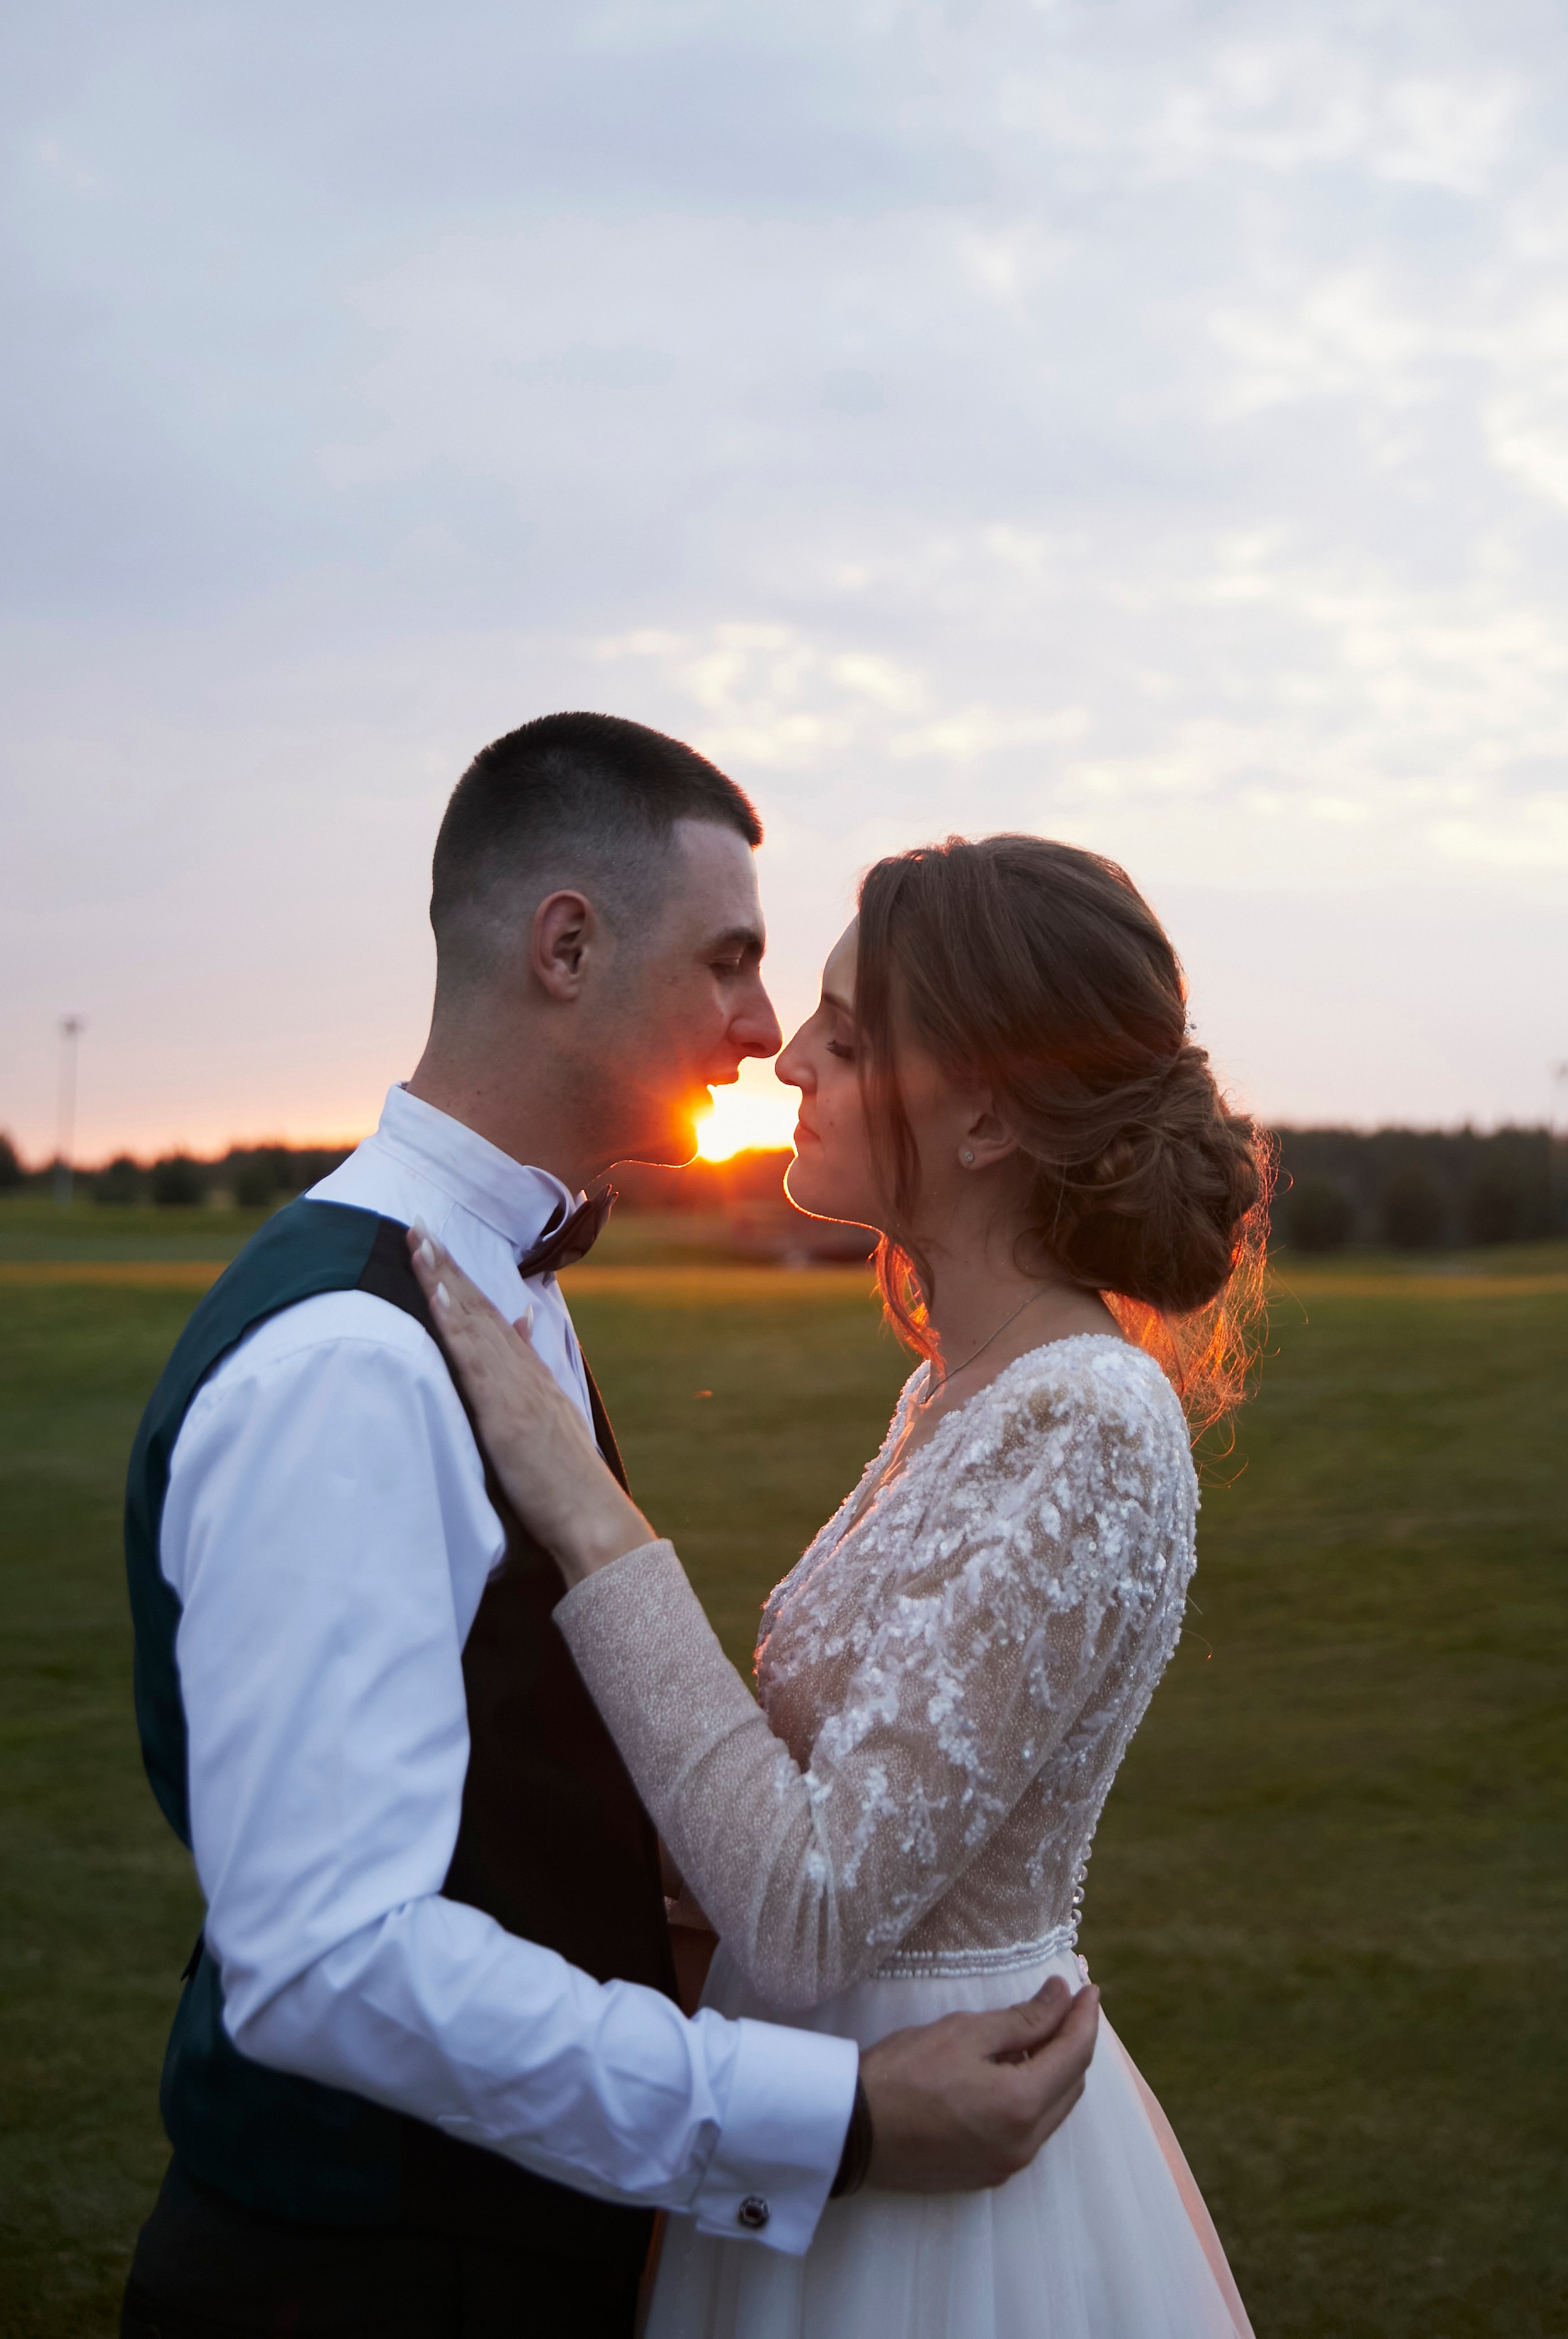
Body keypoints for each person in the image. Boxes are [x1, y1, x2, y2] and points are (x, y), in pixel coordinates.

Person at [119, 719, 1098, 2339]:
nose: (765, 1025)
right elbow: (326, 1961)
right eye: (729, 960)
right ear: (566, 944)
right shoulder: (352, 1359)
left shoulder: (496, 1290)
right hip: (370, 2274)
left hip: (523, 2237)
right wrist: (829, 2116)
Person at [412, 829, 1268, 2338]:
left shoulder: (1089, 1423)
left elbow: (812, 1904)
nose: (785, 1057)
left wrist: (584, 1510)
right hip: (816, 2103)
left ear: (990, 1111)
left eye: (847, 1035)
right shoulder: (950, 1390)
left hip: (942, 2176)